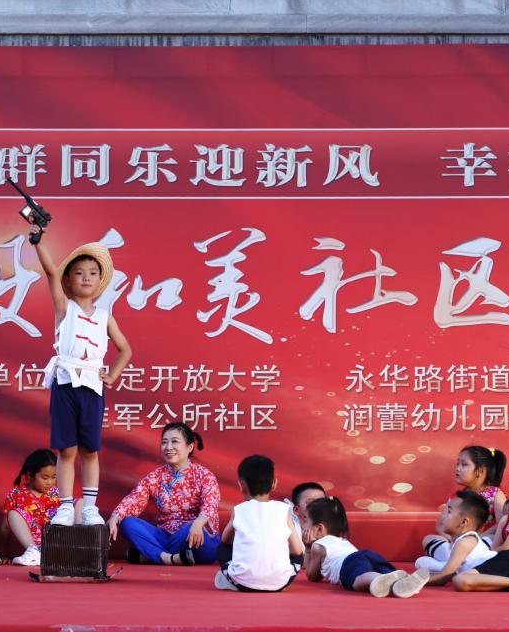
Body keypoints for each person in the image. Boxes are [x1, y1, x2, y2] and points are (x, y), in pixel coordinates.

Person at [28, 221, 132, 527]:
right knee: (67, 449)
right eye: (78, 272)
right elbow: (50, 273)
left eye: (92, 273)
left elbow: (125, 349)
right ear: (69, 280)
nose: (86, 277)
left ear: (100, 281)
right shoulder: (64, 308)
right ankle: (64, 506)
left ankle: (89, 508)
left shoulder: (105, 317)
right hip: (65, 384)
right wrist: (38, 242)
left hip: (92, 387)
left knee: (90, 449)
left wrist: (112, 374)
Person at [108, 422, 221, 565]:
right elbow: (135, 498)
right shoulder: (156, 476)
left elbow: (211, 505)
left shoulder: (204, 475)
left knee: (188, 529)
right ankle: (168, 558)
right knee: (127, 523)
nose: (168, 447)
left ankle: (152, 555)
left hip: (198, 538)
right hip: (165, 536)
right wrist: (115, 517)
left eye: (175, 441)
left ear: (190, 447)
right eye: (164, 442)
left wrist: (198, 523)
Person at [304, 497, 430, 598]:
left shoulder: (318, 546)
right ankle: (404, 579)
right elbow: (321, 573)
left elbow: (313, 577)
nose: (303, 525)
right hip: (366, 554)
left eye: (305, 521)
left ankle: (377, 578)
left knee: (359, 579)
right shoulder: (342, 541)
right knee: (387, 571)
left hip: (348, 564)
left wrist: (308, 549)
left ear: (319, 528)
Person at [215, 455, 305, 592]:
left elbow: (225, 540)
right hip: (280, 583)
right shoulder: (283, 509)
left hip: (242, 583)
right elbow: (297, 551)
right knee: (298, 556)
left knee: (223, 547)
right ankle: (276, 578)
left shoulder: (239, 510)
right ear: (274, 484)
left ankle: (232, 577)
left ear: (241, 485)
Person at [418, 445, 508, 570]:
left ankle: (448, 566)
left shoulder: (496, 494)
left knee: (492, 539)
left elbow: (502, 523)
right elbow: (440, 525)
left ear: (481, 471)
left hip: (479, 545)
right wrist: (452, 539)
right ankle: (457, 565)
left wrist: (477, 538)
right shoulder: (457, 497)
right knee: (428, 539)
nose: (458, 468)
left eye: (464, 465)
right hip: (456, 544)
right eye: (458, 464)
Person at [415, 490, 498, 579]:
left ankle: (452, 567)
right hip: (466, 571)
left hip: (497, 570)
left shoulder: (465, 542)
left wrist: (414, 582)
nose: (443, 516)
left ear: (463, 522)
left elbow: (444, 576)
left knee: (424, 564)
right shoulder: (460, 540)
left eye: (449, 511)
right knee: (421, 562)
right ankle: (452, 566)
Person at [2, 449, 60, 567]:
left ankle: (81, 551)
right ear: (30, 475)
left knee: (78, 503)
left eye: (54, 477)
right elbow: (5, 527)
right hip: (30, 549)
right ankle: (35, 553)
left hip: (55, 545)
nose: (50, 482)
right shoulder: (16, 494)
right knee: (13, 514)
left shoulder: (58, 494)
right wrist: (4, 554)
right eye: (45, 478)